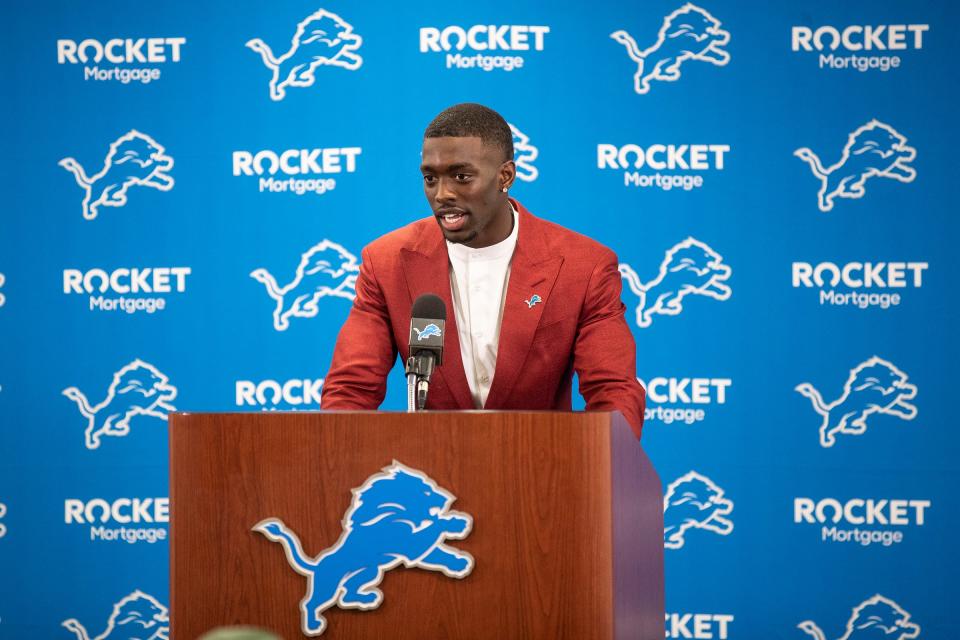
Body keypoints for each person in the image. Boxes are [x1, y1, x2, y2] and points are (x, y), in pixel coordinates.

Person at [321, 103, 645, 438]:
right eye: (430, 178)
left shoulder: (584, 266)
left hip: (542, 473)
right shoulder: (386, 261)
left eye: (461, 177)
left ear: (505, 176)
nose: (442, 194)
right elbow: (351, 391)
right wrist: (337, 463)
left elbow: (613, 391)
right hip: (429, 475)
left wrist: (603, 469)